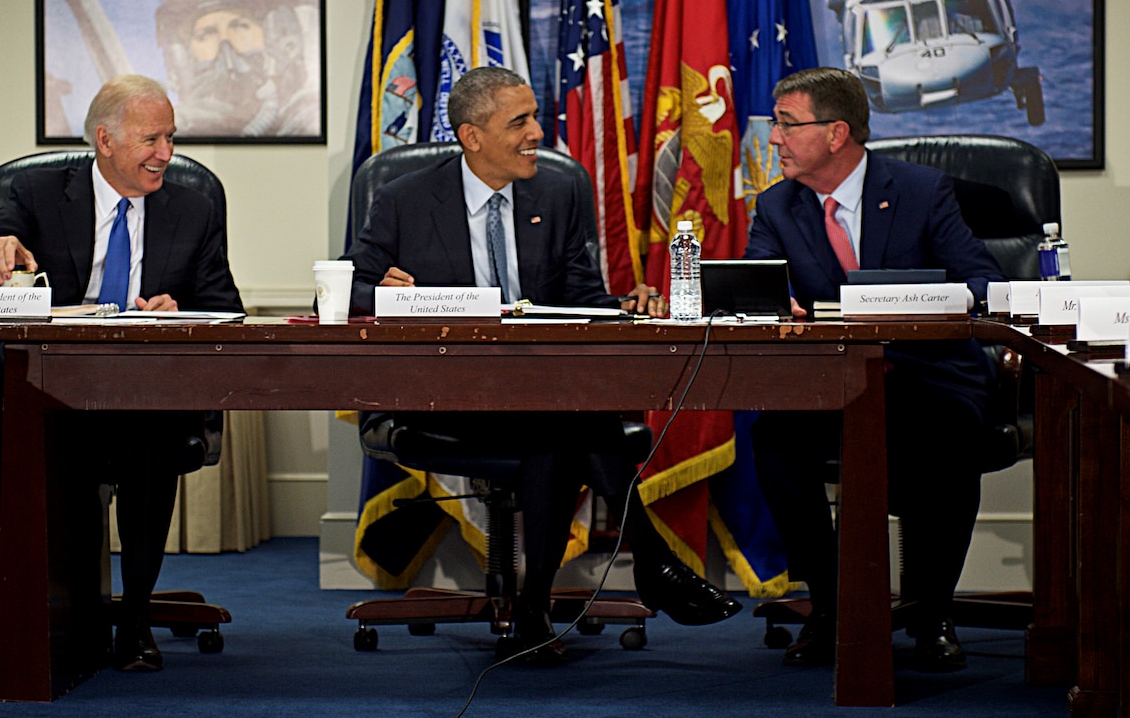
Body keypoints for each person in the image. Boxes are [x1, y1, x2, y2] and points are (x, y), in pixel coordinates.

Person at [342, 66, 741, 662]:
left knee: (560, 429)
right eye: (519, 122)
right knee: (574, 425)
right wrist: (386, 292)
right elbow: (348, 287)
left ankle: (534, 608)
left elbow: (580, 297)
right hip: (447, 397)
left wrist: (625, 305)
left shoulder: (553, 194)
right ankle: (645, 568)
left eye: (534, 117)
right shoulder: (404, 198)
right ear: (472, 136)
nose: (537, 133)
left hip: (540, 393)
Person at [0, 74, 243, 674]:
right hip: (35, 388)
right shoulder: (35, 191)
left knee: (153, 439)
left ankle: (132, 620)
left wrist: (180, 311)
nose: (166, 155)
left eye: (171, 138)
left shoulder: (193, 207)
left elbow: (224, 303)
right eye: (150, 139)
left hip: (139, 391)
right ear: (104, 140)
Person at [744, 67, 1005, 672]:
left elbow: (983, 279)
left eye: (786, 124)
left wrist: (926, 302)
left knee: (949, 434)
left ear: (836, 134)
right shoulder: (777, 205)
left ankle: (932, 609)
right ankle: (831, 606)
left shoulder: (920, 189)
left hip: (927, 373)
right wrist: (768, 304)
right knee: (774, 441)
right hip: (832, 383)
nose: (774, 139)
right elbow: (755, 288)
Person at [156, 0, 317, 138]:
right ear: (187, 57)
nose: (225, 44)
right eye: (207, 33)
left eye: (239, 26)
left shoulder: (303, 117)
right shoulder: (180, 125)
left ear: (269, 40)